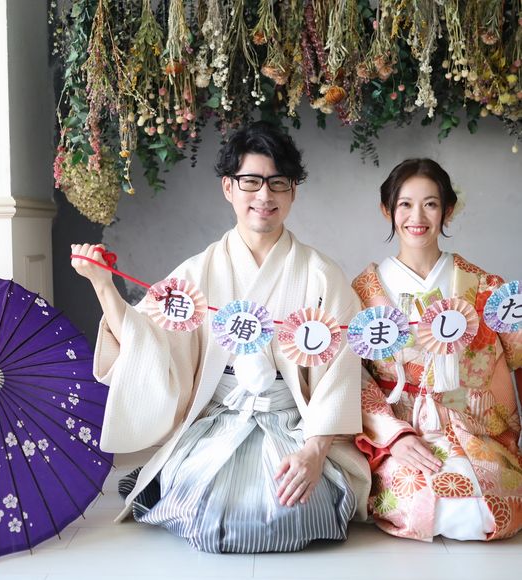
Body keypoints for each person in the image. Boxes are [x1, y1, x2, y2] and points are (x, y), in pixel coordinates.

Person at [71, 122, 370, 553]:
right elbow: (146, 340)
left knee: (294, 511)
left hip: (294, 425)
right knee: (209, 516)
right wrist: (103, 286)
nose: (264, 195)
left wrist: (314, 452)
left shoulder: (321, 275)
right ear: (228, 188)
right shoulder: (199, 271)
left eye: (278, 183)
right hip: (220, 419)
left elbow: (340, 371)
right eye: (251, 181)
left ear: (293, 192)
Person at [352, 158, 522, 542]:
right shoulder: (363, 292)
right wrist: (393, 436)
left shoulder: (482, 286)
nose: (417, 217)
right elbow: (354, 376)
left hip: (471, 426)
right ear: (387, 210)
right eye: (405, 204)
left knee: (487, 506)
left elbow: (516, 357)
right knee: (424, 500)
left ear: (448, 210)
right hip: (402, 432)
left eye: (430, 204)